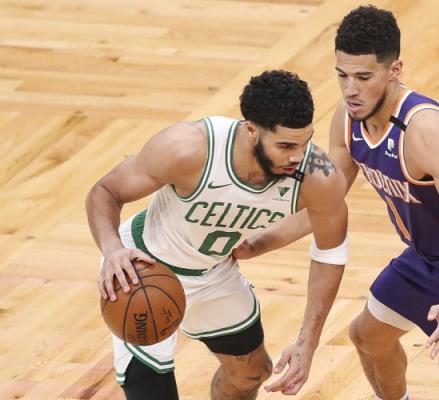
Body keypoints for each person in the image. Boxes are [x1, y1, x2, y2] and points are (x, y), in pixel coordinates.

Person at [235, 6, 439, 400]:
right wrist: (255, 243)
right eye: (342, 75)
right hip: (431, 258)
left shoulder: (424, 130)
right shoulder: (346, 120)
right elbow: (323, 206)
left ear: (394, 70)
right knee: (368, 337)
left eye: (364, 77)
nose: (350, 90)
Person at [85, 70, 348, 400]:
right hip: (145, 270)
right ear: (251, 130)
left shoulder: (317, 175)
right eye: (285, 145)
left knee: (253, 372)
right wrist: (112, 249)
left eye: (305, 142)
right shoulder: (188, 148)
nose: (298, 156)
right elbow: (105, 191)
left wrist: (308, 343)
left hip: (213, 273)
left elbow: (330, 251)